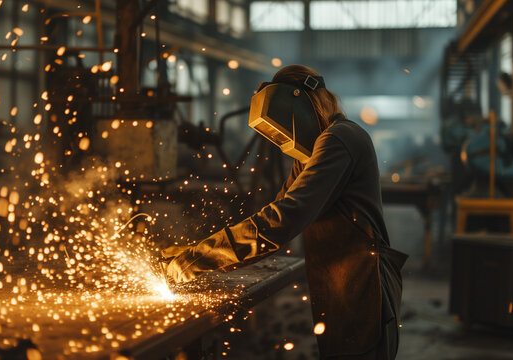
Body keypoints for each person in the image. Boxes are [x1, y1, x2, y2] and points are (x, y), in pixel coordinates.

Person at [162, 65, 408, 359]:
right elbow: (273, 217)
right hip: (340, 288)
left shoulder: (340, 138)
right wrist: (197, 253)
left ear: (300, 101)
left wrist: (197, 259)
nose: (279, 141)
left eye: (279, 128)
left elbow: (282, 221)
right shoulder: (311, 156)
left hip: (363, 289)